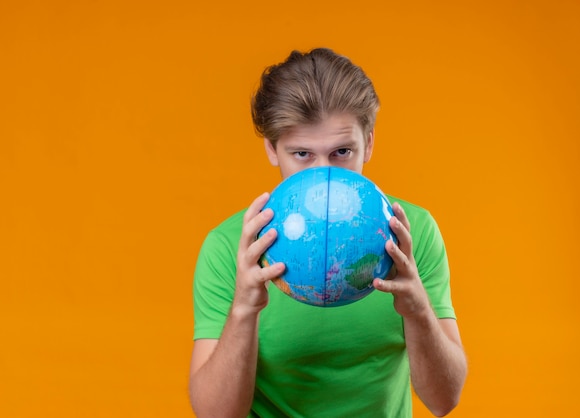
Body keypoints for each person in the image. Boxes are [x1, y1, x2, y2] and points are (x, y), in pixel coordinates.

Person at [189, 48, 467, 417]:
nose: (325, 176)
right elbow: (216, 414)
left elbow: (444, 401)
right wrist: (244, 309)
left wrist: (418, 310)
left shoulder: (409, 233)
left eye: (341, 152)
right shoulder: (229, 248)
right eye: (302, 154)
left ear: (368, 143)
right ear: (272, 150)